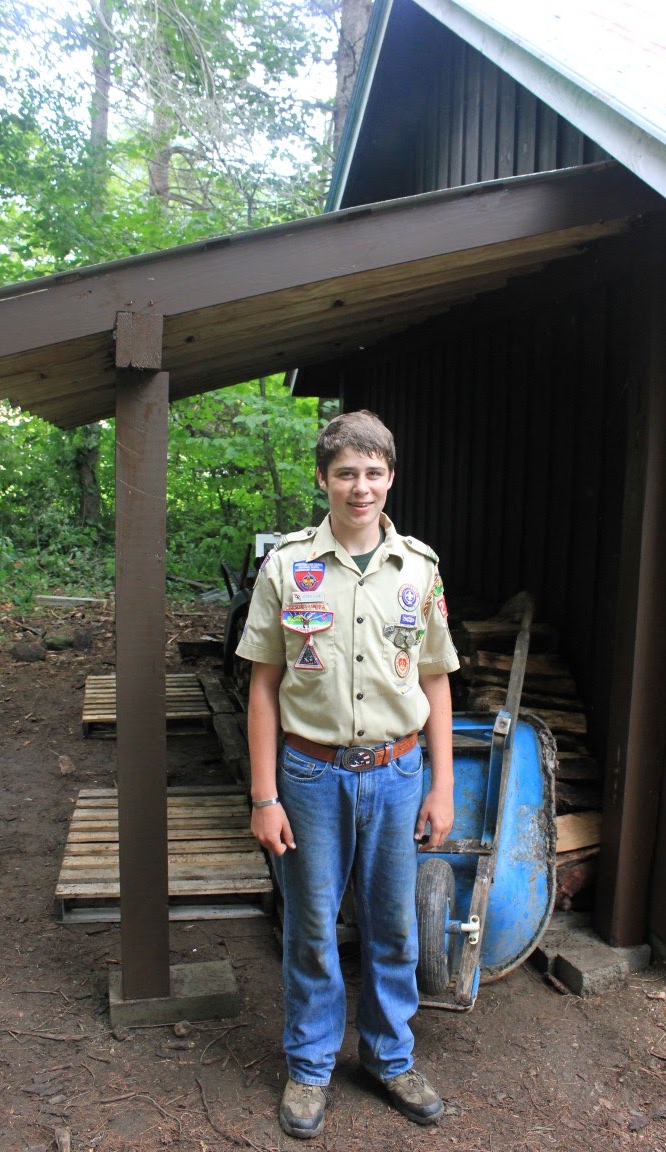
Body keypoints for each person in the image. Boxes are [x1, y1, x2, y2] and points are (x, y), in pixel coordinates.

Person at [236, 409, 459, 1139]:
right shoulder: (288, 566)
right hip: (310, 776)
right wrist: (264, 795)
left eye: (373, 473)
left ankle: (390, 1058)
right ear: (324, 478)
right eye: (345, 473)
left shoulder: (418, 569)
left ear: (390, 477)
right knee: (311, 927)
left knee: (394, 927)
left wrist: (443, 785)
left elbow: (435, 682)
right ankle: (309, 1067)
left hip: (397, 776)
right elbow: (263, 687)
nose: (360, 488)